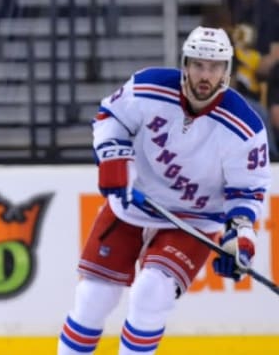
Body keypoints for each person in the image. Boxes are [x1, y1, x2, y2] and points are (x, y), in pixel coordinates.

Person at [58, 26, 271, 354]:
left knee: (151, 293)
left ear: (226, 71)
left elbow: (248, 191)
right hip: (132, 205)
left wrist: (239, 237)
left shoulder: (245, 126)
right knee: (93, 298)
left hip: (194, 220)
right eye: (198, 64)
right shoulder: (149, 86)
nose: (205, 75)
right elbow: (110, 117)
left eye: (214, 67)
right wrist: (114, 158)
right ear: (185, 63)